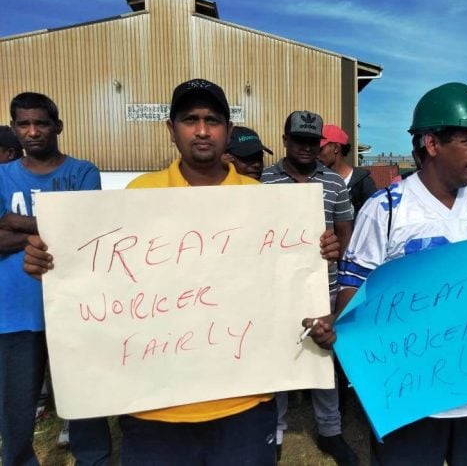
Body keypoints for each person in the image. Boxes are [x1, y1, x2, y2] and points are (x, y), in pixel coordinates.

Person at [22, 79, 341, 465]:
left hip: (245, 404)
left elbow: (287, 292)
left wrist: (317, 255)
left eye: (213, 120)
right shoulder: (137, 197)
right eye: (190, 119)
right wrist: (51, 266)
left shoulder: (266, 205)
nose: (202, 130)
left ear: (227, 131)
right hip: (154, 409)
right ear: (172, 130)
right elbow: (99, 286)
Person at [306, 82, 467, 466]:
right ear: (432, 143)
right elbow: (352, 291)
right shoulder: (388, 208)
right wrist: (337, 328)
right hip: (411, 398)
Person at [0, 92, 103, 465]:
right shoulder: (2, 176)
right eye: (23, 124)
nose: (32, 132)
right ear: (14, 129)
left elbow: (86, 232)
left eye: (41, 123)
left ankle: (93, 459)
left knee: (83, 396)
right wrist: (54, 225)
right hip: (14, 312)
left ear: (57, 126)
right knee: (16, 406)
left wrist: (14, 223)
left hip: (73, 309)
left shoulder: (82, 172)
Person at [261, 111, 357, 465]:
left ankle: (330, 431)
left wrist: (337, 253)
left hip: (325, 287)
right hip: (278, 288)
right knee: (282, 359)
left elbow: (346, 233)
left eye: (312, 141)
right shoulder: (264, 182)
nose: (305, 147)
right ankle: (275, 430)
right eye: (298, 140)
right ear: (285, 140)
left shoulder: (333, 183)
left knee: (323, 360)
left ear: (321, 144)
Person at [318, 124, 377, 216]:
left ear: (336, 148)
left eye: (320, 149)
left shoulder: (363, 183)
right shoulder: (317, 179)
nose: (316, 154)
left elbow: (373, 216)